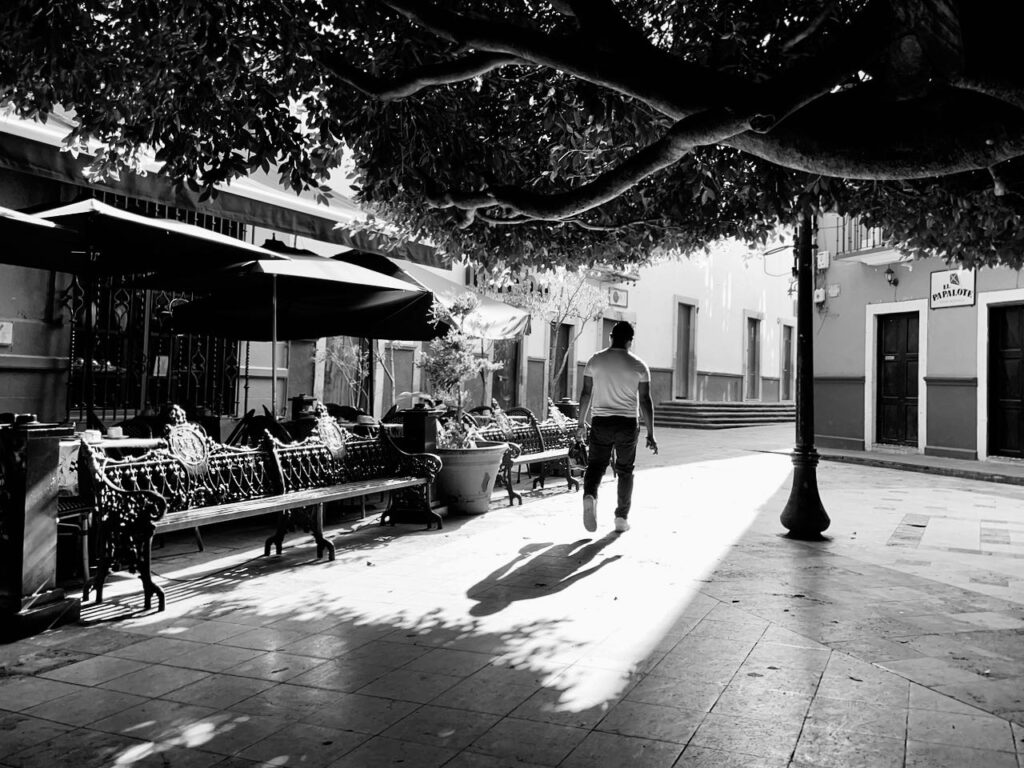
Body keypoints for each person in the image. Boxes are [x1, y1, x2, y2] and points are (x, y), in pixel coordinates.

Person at [575, 320, 658, 533]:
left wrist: (581, 424)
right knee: (625, 470)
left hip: (601, 421)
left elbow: (585, 394)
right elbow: (646, 400)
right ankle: (621, 518)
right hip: (627, 423)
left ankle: (590, 495)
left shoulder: (595, 360)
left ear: (610, 337)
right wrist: (651, 433)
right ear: (630, 341)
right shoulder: (639, 365)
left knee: (595, 466)